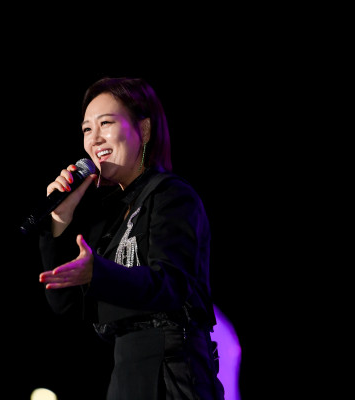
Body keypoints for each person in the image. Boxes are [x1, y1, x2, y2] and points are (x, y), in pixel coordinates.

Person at [36, 77, 225, 400]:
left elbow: (171, 284)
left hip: (172, 373)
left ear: (145, 130)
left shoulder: (171, 196)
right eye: (86, 129)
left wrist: (99, 273)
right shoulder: (111, 217)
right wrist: (59, 219)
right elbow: (67, 304)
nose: (94, 138)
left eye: (106, 123)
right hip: (126, 375)